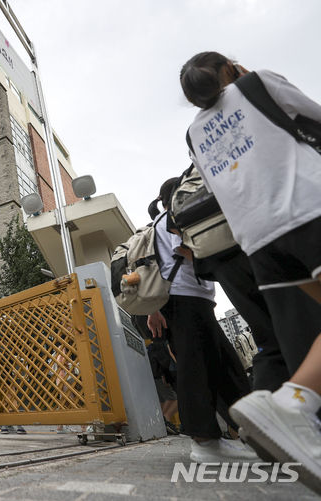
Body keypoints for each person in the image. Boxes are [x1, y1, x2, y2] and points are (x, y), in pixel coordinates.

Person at [181, 51, 321, 491]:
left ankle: (297, 412)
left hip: (258, 237)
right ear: (230, 68)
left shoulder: (195, 131)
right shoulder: (257, 83)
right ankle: (294, 405)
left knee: (306, 329)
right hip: (307, 208)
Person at [146, 180, 255, 462]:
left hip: (189, 299)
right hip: (186, 297)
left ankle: (251, 431)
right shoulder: (174, 216)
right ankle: (205, 442)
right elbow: (185, 250)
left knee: (222, 365)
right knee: (198, 366)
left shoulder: (162, 219)